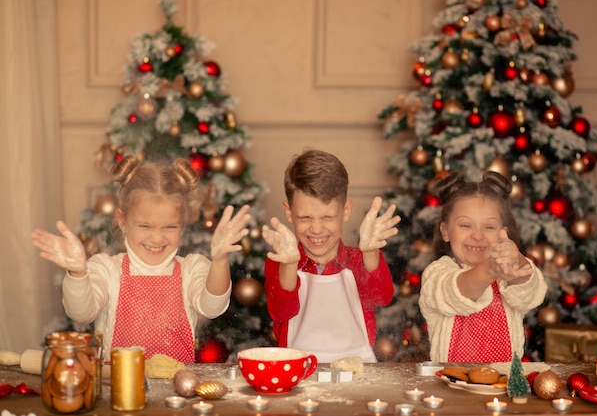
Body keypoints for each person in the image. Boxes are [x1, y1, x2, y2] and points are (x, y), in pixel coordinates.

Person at [32, 154, 250, 363]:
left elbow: (211, 308)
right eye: (145, 226)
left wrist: (220, 260)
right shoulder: (107, 269)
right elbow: (81, 313)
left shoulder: (191, 269)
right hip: (118, 392)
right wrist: (78, 273)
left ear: (183, 223)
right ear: (123, 220)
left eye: (170, 227)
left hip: (175, 394)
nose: (157, 238)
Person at [262, 149, 400, 363]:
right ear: (289, 213)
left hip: (357, 372)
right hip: (299, 371)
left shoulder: (358, 259)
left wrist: (371, 253)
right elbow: (281, 312)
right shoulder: (281, 262)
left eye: (327, 217)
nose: (316, 229)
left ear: (346, 211)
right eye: (305, 217)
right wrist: (289, 266)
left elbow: (381, 297)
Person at [418, 170, 547, 363]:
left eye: (489, 227)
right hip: (451, 384)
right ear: (445, 231)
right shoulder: (437, 273)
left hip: (504, 383)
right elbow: (457, 291)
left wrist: (517, 261)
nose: (478, 235)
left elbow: (530, 291)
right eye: (465, 226)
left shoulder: (506, 276)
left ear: (503, 233)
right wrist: (489, 270)